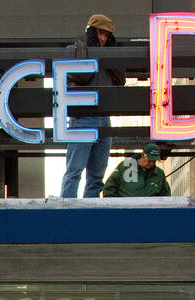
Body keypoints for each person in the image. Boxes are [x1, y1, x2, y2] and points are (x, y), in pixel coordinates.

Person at [60, 13, 124, 198]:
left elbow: (121, 80)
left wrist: (109, 55)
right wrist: (93, 52)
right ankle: (66, 207)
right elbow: (80, 77)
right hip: (82, 118)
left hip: (104, 118)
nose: (103, 38)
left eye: (106, 35)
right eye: (99, 33)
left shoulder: (110, 54)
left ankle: (91, 210)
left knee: (97, 175)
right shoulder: (74, 50)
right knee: (74, 170)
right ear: (91, 33)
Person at [101, 143, 171, 197]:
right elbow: (109, 188)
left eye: (154, 161)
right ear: (143, 155)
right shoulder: (125, 166)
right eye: (150, 160)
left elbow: (166, 195)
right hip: (125, 211)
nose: (152, 163)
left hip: (150, 212)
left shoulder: (159, 174)